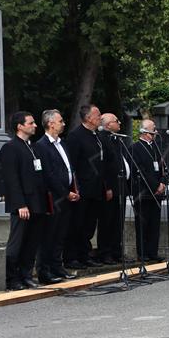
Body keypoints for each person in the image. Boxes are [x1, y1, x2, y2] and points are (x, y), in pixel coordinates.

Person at [0, 112, 49, 290]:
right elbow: (11, 179)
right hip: (22, 204)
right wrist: (20, 204)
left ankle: (26, 275)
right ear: (20, 126)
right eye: (31, 122)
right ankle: (12, 279)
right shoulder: (10, 148)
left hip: (37, 203)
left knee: (32, 242)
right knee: (17, 242)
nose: (35, 125)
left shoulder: (33, 147)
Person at [34, 109, 78, 283]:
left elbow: (68, 168)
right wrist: (66, 192)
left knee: (60, 235)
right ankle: (44, 271)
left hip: (67, 195)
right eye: (60, 121)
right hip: (54, 197)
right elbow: (49, 174)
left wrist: (74, 189)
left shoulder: (63, 143)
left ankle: (57, 267)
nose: (64, 123)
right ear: (51, 123)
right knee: (49, 236)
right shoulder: (41, 145)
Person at [65, 104, 108, 269]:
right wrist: (74, 188)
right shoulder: (75, 137)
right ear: (89, 118)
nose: (100, 117)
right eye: (98, 115)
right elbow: (72, 164)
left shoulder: (96, 135)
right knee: (77, 224)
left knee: (89, 225)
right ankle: (72, 257)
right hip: (82, 189)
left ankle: (85, 254)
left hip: (96, 188)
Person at [131, 119, 166, 263]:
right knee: (143, 224)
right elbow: (141, 171)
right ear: (145, 132)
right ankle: (143, 253)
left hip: (157, 193)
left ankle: (153, 252)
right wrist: (155, 186)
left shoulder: (156, 147)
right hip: (143, 192)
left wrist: (163, 183)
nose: (156, 132)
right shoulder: (135, 148)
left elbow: (162, 167)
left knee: (154, 224)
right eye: (153, 129)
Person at [97, 113, 128, 265]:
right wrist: (107, 186)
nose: (119, 122)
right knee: (107, 221)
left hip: (121, 185)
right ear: (108, 125)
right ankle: (105, 252)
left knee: (118, 221)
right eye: (116, 121)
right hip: (109, 187)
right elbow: (105, 165)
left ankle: (117, 251)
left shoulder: (116, 139)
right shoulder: (103, 138)